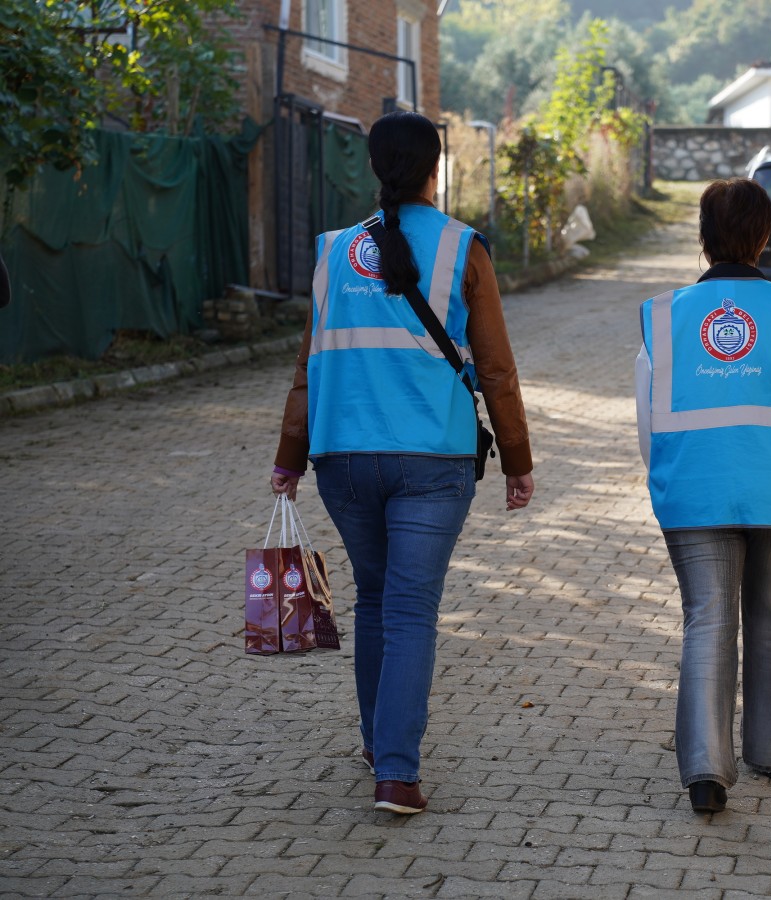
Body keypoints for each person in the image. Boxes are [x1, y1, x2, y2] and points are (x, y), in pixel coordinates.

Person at [270, 111, 535, 815]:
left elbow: (307, 367)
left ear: (374, 167)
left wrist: (288, 459)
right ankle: (396, 773)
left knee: (376, 600)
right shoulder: (461, 247)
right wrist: (517, 459)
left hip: (343, 459)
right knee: (411, 607)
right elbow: (499, 371)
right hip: (432, 459)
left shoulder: (333, 251)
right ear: (434, 168)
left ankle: (376, 743)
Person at [634, 177, 771, 814]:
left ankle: (705, 771)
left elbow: (649, 420)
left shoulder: (664, 315)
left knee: (707, 622)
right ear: (764, 237)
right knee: (770, 616)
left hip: (693, 493)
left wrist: (667, 480)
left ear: (703, 239)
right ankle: (769, 751)